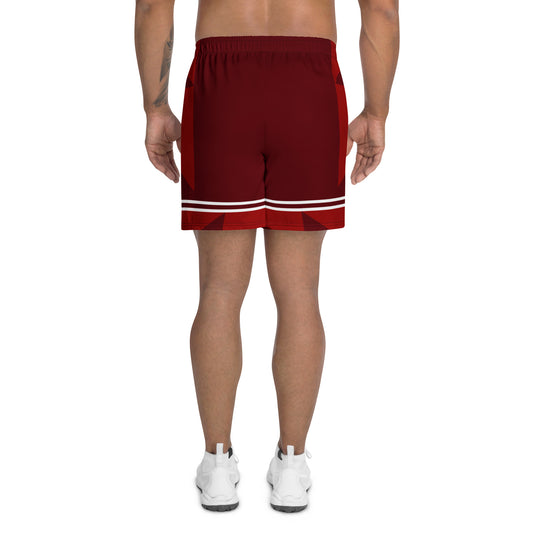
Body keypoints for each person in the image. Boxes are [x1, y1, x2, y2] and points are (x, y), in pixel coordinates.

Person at [134, 0, 399, 513]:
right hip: (309, 79)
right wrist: (377, 112)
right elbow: (382, 12)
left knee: (218, 288)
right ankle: (292, 466)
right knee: (299, 291)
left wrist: (155, 107)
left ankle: (217, 465)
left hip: (222, 83)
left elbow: (152, 7)